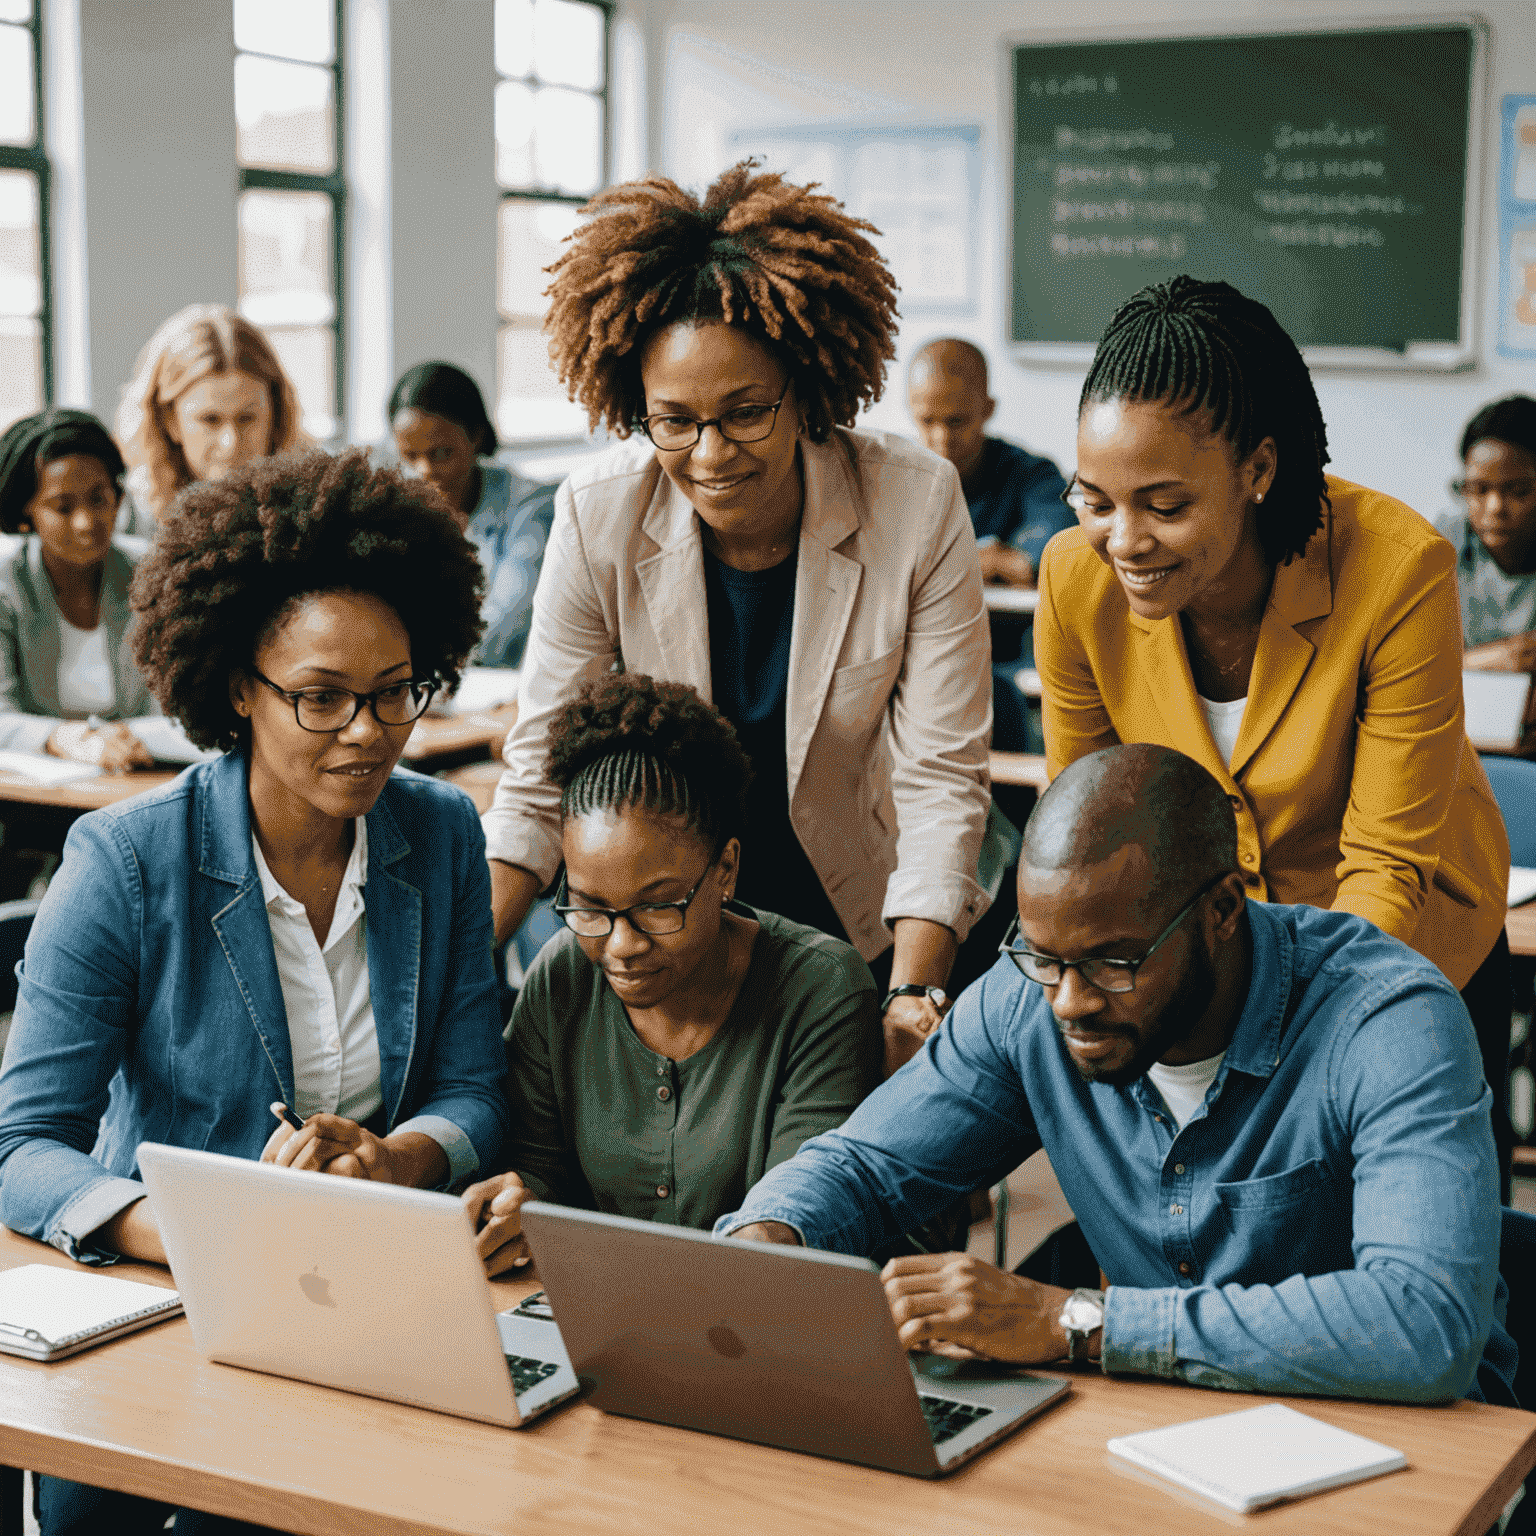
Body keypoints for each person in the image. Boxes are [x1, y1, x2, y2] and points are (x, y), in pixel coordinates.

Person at [0, 447, 507, 1536]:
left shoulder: (444, 833)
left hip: (373, 1299)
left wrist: (398, 1157)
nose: (368, 732)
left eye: (395, 693)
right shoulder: (128, 863)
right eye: (321, 699)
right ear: (238, 685)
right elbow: (21, 1147)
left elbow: (475, 1089)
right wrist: (199, 1232)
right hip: (171, 1309)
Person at [720, 745, 1517, 1408]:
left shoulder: (1387, 1020)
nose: (1070, 1000)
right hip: (1169, 1432)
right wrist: (766, 1238)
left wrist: (1081, 1323)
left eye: (1114, 962)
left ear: (1224, 910)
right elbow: (865, 1167)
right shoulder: (1025, 1001)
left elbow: (1424, 1327)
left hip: (1402, 1445)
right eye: (1042, 956)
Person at [481, 161, 1011, 1076]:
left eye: (746, 413)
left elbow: (940, 781)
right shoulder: (597, 514)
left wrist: (914, 999)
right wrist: (455, 981)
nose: (711, 453)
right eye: (674, 422)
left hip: (856, 923)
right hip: (668, 931)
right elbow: (537, 778)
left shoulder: (914, 505)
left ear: (806, 387)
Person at [1031, 275, 1513, 1195]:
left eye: (1165, 506)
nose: (1123, 539)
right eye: (1093, 499)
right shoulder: (1073, 580)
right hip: (1206, 965)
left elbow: (1385, 866)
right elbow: (1088, 828)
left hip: (1407, 943)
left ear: (1258, 469)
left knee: (1405, 1235)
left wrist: (1280, 1051)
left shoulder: (1398, 569)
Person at [464, 672, 882, 1277]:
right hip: (588, 1311)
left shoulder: (820, 989)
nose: (622, 946)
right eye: (588, 907)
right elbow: (537, 1168)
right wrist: (520, 1206)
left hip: (757, 1326)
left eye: (660, 905)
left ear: (727, 869)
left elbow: (802, 1216)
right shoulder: (562, 976)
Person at [0, 408, 156, 770]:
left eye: (98, 499)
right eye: (62, 507)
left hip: (142, 779)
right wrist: (67, 739)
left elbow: (177, 712)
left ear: (117, 496)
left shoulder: (154, 575)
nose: (86, 523)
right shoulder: (6, 589)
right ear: (28, 512)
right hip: (33, 803)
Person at [387, 361, 557, 670]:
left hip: (506, 685)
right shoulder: (393, 511)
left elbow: (507, 623)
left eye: (440, 453)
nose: (424, 471)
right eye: (410, 457)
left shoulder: (531, 505)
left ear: (476, 437)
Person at [114, 302, 310, 533]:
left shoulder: (313, 512)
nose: (231, 444)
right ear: (170, 421)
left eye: (247, 418)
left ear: (275, 415)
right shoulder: (126, 522)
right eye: (210, 420)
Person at [906, 338, 1073, 589]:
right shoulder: (893, 476)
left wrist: (1016, 562)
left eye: (956, 421)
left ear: (987, 409)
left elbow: (1058, 548)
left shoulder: (1032, 474)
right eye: (928, 421)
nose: (942, 438)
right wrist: (990, 560)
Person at [1432, 395, 1536, 671]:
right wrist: (1498, 658)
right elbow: (1404, 666)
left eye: (1518, 490)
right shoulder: (1439, 545)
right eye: (1478, 489)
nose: (1495, 507)